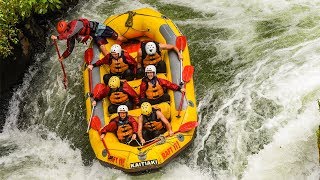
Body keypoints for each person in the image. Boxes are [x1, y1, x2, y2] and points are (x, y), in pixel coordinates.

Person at [51, 18, 126, 60]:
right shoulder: (70, 35)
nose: (64, 33)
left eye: (64, 32)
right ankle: (114, 61)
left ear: (67, 27)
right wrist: (63, 56)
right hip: (94, 35)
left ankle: (129, 42)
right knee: (103, 49)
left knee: (119, 38)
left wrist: (57, 37)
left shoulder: (75, 24)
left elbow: (70, 33)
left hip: (98, 28)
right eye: (63, 33)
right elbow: (70, 48)